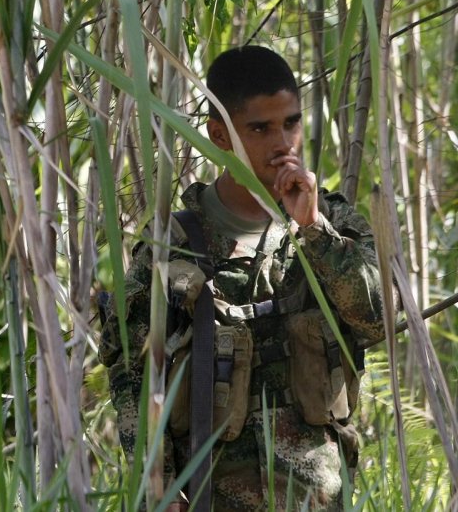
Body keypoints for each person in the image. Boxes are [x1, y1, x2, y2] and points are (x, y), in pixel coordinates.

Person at [99, 46, 390, 511]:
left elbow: (377, 320)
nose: (283, 143)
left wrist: (313, 229)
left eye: (291, 123)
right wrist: (161, 488)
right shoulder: (173, 242)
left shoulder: (333, 223)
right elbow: (134, 378)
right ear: (219, 134)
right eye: (260, 128)